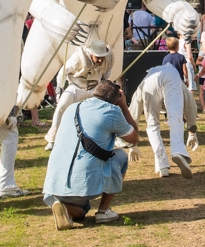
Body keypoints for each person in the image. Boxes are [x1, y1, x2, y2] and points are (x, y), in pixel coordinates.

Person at [42, 80, 139, 229]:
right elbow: (133, 138)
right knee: (121, 156)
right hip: (81, 185)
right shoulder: (111, 111)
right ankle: (103, 211)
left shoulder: (73, 107)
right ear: (115, 100)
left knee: (82, 211)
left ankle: (63, 207)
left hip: (52, 186)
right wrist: (124, 106)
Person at [44, 39, 113, 149]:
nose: (100, 60)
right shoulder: (78, 58)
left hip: (95, 88)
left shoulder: (109, 58)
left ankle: (112, 137)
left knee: (108, 107)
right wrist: (60, 90)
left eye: (102, 57)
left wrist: (104, 87)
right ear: (91, 54)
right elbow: (63, 72)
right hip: (76, 87)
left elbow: (107, 73)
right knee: (61, 107)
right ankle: (52, 140)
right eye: (98, 57)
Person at [135, 62, 193, 178]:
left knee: (152, 125)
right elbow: (191, 105)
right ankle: (178, 151)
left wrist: (132, 143)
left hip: (149, 83)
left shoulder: (147, 78)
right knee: (176, 117)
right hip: (170, 79)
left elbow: (135, 106)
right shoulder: (175, 76)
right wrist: (192, 132)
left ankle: (162, 165)